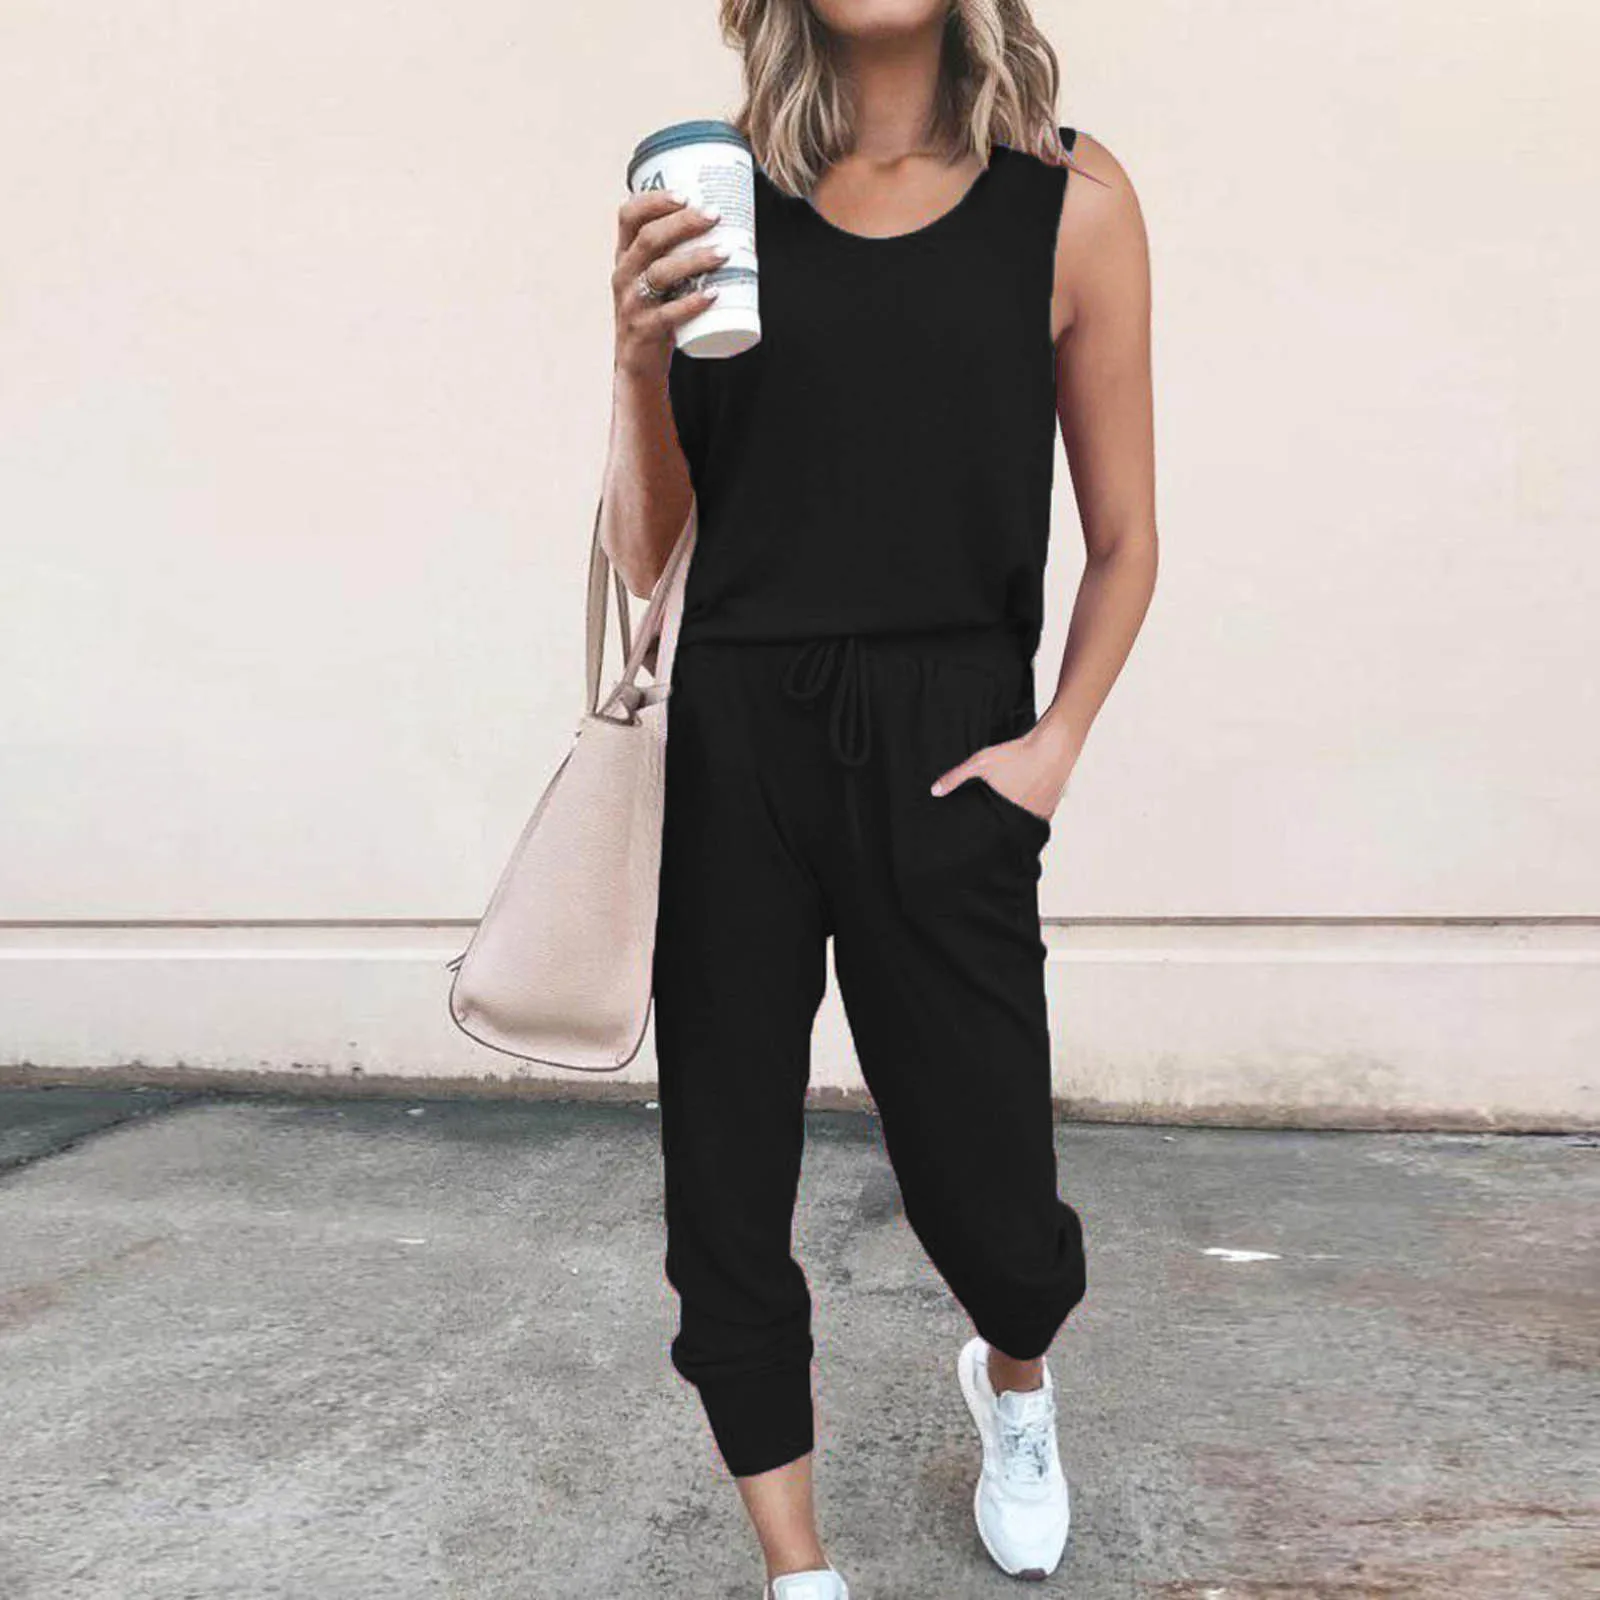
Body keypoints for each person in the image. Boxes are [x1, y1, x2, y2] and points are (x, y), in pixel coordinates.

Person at [602, 2, 1155, 1593]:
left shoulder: (1070, 200)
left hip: (948, 745)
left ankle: (1015, 1376)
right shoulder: (706, 188)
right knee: (723, 1190)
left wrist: (1052, 747)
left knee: (994, 1197)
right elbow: (646, 556)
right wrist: (636, 359)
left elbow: (1127, 539)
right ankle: (800, 1570)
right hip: (736, 746)